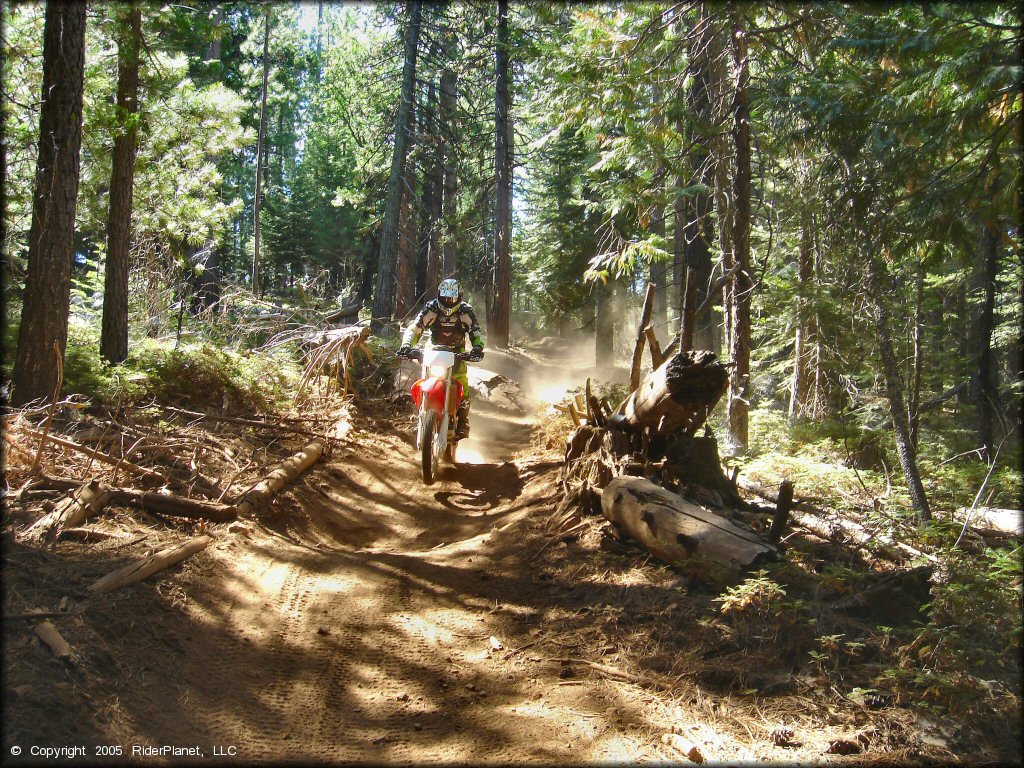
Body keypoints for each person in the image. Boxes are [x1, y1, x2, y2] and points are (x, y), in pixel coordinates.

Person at [398, 278, 484, 439]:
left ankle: (463, 420)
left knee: (462, 383)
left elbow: (476, 331)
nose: (449, 302)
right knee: (424, 379)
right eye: (445, 298)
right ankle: (422, 416)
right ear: (439, 296)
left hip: (457, 352)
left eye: (452, 298)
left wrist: (478, 348)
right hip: (434, 350)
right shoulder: (432, 308)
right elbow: (415, 328)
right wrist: (407, 345)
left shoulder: (466, 311)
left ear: (459, 297)